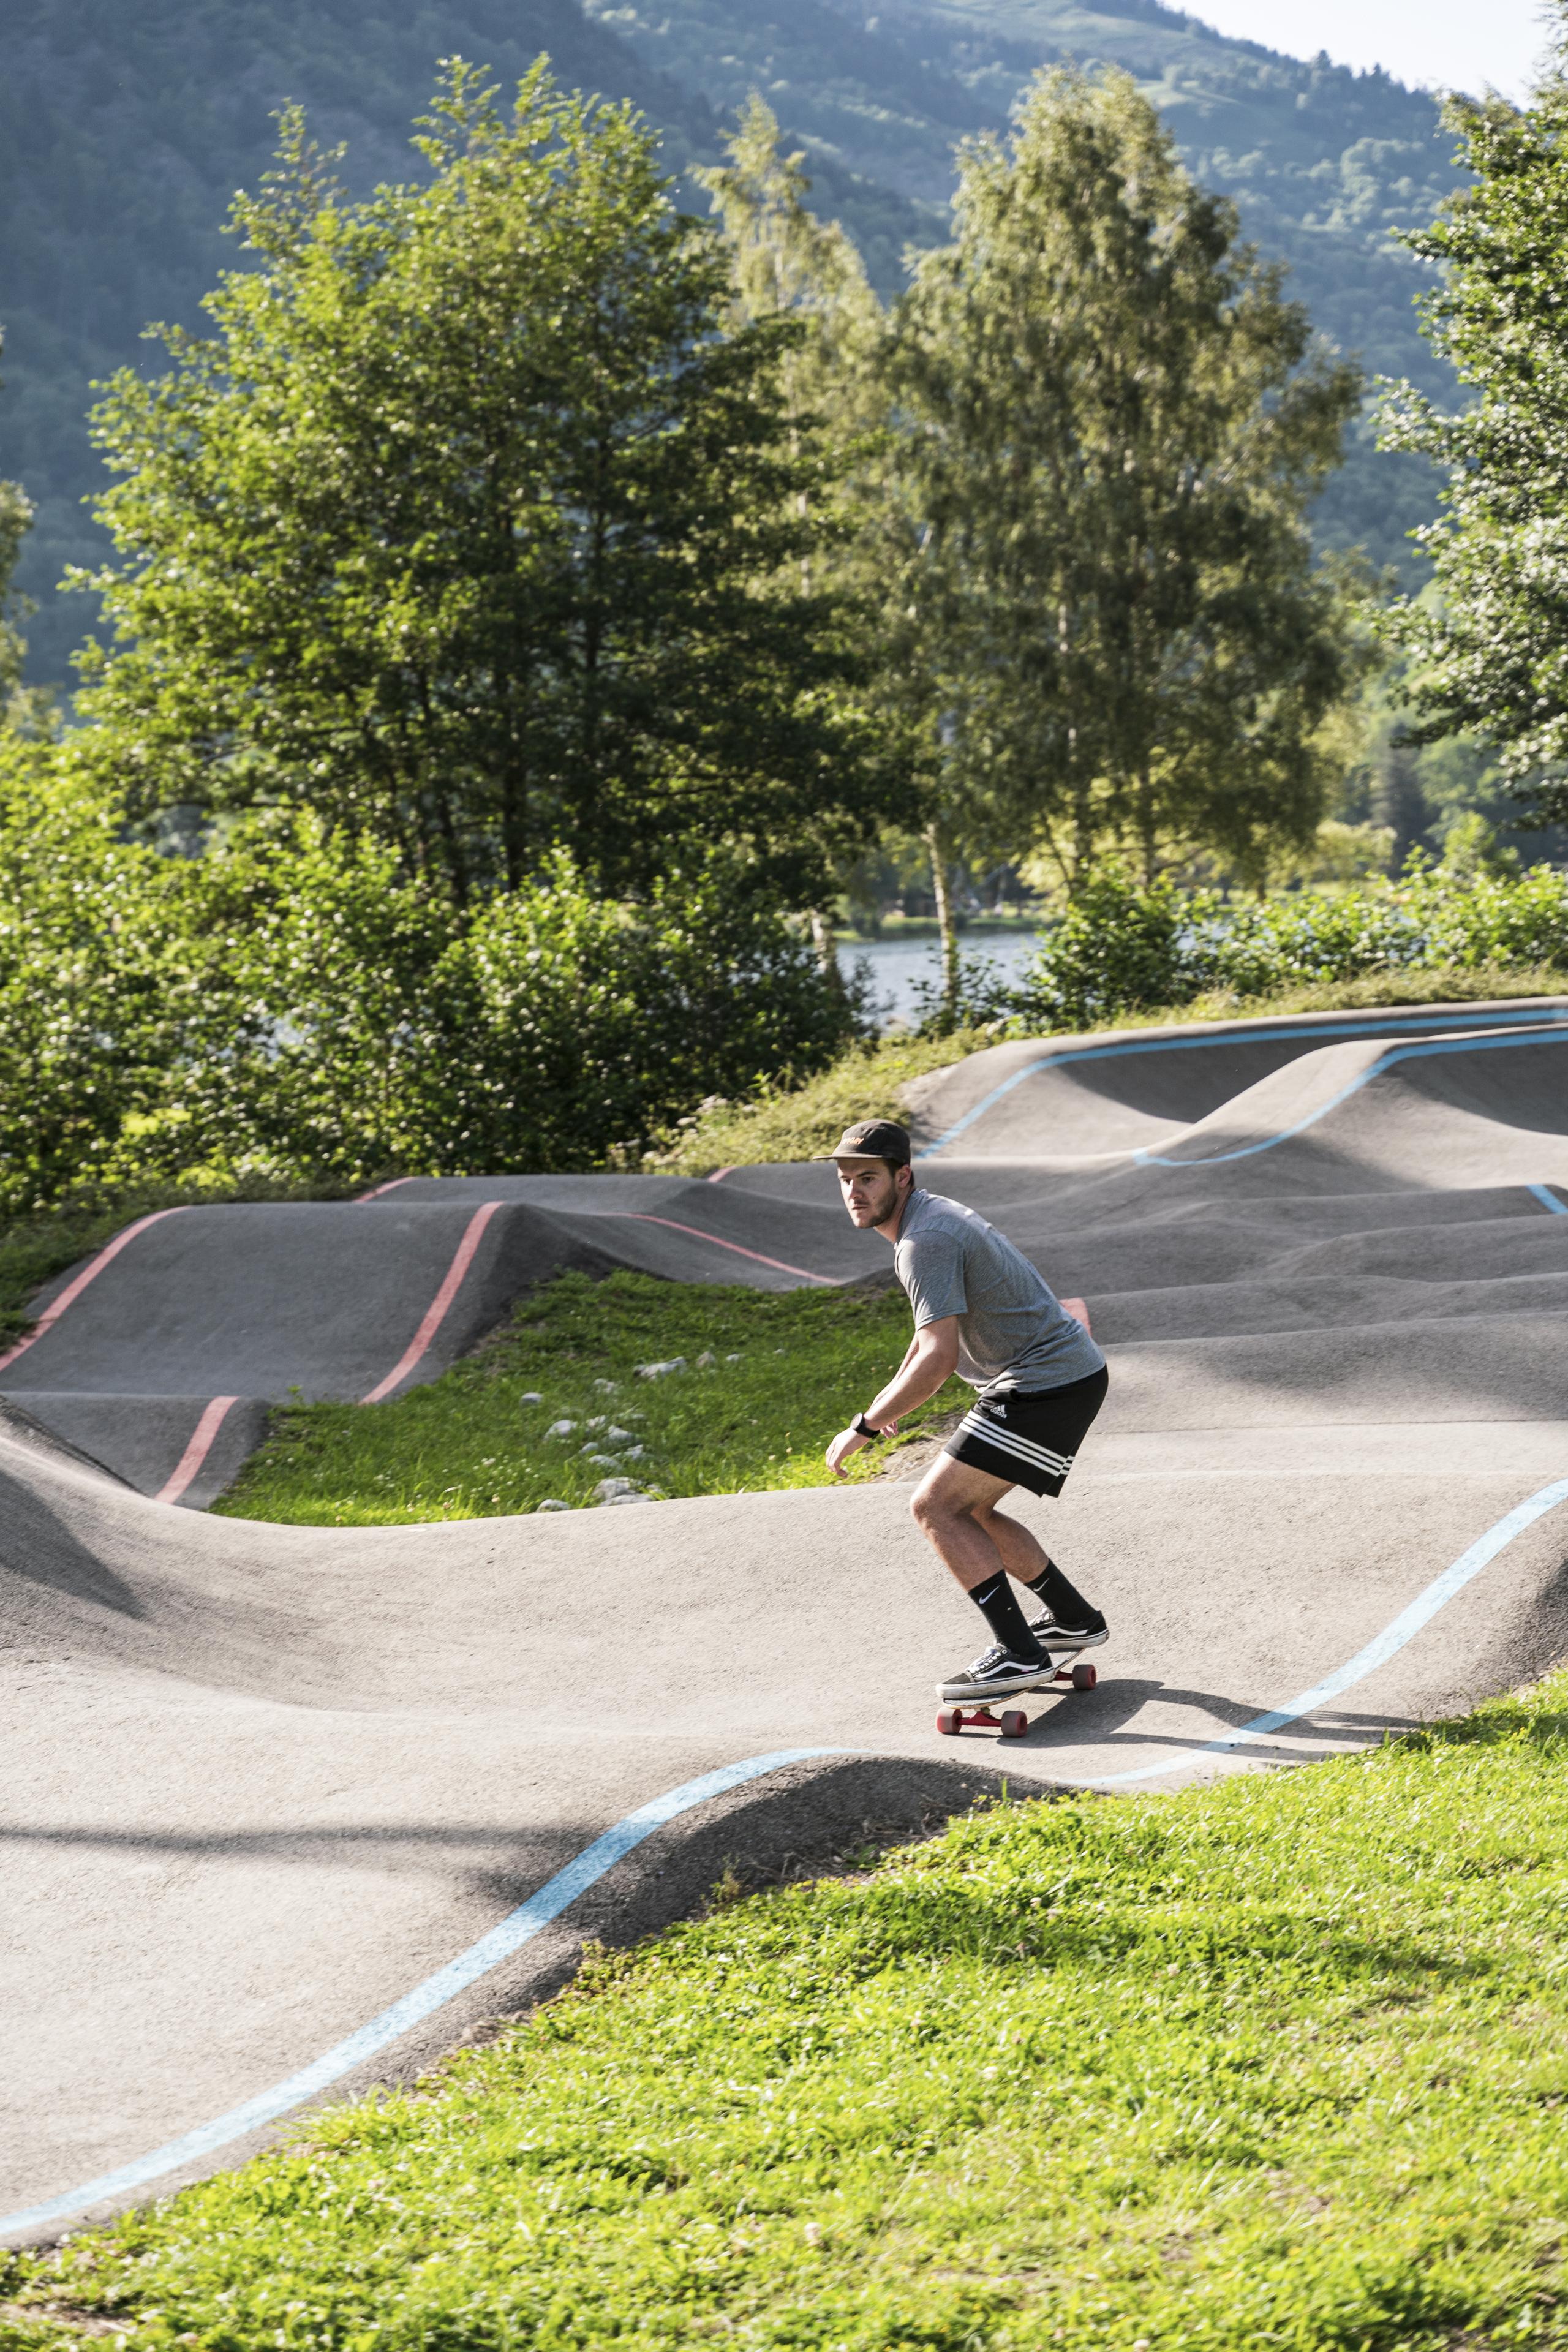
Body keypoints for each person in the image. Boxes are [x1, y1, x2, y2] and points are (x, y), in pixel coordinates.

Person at [821, 1118, 1109, 1703]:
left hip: (1045, 1382)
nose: (855, 1191)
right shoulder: (926, 1218)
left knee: (936, 1508)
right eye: (847, 1179)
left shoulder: (926, 1241)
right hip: (1060, 1377)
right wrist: (890, 1396)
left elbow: (939, 1357)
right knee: (969, 1510)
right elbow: (928, 1331)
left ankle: (1019, 1653)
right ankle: (1073, 1617)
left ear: (902, 1177)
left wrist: (866, 1426)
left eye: (868, 1178)